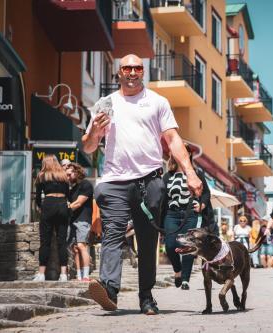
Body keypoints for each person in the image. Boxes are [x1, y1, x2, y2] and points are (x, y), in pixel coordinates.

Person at [82, 54, 202, 315]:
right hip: (114, 180)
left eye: (138, 67)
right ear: (119, 73)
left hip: (149, 180)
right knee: (113, 232)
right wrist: (94, 131)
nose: (133, 72)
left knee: (147, 240)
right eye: (127, 68)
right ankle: (109, 290)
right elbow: (89, 145)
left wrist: (190, 173)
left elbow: (173, 139)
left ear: (143, 72)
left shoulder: (157, 102)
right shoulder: (106, 104)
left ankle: (146, 297)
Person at [161, 143, 212, 291]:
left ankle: (185, 279)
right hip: (172, 214)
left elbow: (206, 193)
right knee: (170, 245)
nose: (183, 152)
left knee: (188, 246)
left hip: (190, 214)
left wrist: (201, 205)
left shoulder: (196, 173)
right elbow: (163, 198)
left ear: (189, 154)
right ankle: (178, 270)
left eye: (186, 150)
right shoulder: (167, 176)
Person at [33, 155, 70, 282]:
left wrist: (40, 207)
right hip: (62, 205)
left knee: (45, 241)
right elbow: (68, 195)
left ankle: (41, 274)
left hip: (48, 205)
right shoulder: (63, 176)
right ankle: (64, 274)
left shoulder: (42, 175)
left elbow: (38, 197)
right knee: (62, 242)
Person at [66, 163, 94, 282]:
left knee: (82, 246)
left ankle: (86, 275)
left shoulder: (86, 184)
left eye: (69, 174)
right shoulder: (72, 188)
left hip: (83, 219)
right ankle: (78, 275)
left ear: (77, 172)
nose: (67, 177)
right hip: (73, 220)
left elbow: (78, 203)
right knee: (75, 249)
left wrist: (64, 209)